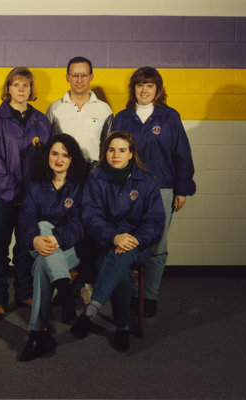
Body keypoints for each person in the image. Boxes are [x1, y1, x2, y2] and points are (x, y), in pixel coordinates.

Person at [112, 66, 196, 318]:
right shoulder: (122, 118)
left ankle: (148, 296)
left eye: (149, 85)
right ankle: (129, 293)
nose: (144, 90)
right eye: (139, 85)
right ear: (133, 88)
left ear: (158, 90)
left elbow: (182, 154)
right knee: (128, 240)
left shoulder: (169, 117)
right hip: (128, 190)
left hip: (163, 190)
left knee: (157, 245)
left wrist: (182, 188)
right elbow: (111, 154)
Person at [71, 130, 166, 352]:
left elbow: (155, 221)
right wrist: (114, 237)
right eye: (111, 149)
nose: (116, 154)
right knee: (121, 266)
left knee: (121, 255)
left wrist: (133, 239)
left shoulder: (146, 180)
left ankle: (91, 310)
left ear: (131, 154)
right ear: (105, 152)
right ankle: (123, 326)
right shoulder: (96, 177)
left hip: (136, 244)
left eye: (122, 150)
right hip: (104, 242)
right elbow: (90, 216)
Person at [0, 67, 52, 320]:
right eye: (16, 85)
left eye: (26, 85)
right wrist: (13, 192)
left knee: (25, 247)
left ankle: (24, 292)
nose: (21, 90)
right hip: (1, 196)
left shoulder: (42, 121)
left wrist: (34, 194)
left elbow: (48, 161)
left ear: (31, 90)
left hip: (31, 198)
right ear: (8, 88)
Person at [17, 134, 88, 362]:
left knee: (41, 267)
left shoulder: (81, 186)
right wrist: (34, 240)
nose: (59, 159)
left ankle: (36, 334)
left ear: (72, 159)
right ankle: (64, 290)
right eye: (54, 153)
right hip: (37, 245)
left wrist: (58, 239)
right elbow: (25, 221)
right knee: (41, 225)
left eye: (65, 155)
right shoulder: (34, 185)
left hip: (70, 248)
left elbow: (82, 223)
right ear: (47, 155)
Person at [46, 56, 113, 164]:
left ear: (91, 77)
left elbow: (110, 146)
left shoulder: (104, 109)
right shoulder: (54, 108)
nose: (79, 80)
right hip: (64, 171)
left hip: (94, 171)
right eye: (75, 75)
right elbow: (48, 144)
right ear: (67, 77)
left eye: (84, 75)